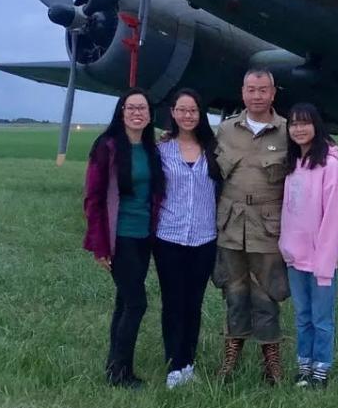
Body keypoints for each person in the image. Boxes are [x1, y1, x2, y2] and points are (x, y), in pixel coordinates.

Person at [213, 69, 291, 384]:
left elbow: (320, 156)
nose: (256, 96)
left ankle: (271, 363)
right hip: (230, 226)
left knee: (267, 293)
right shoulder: (225, 130)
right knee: (233, 292)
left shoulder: (288, 130)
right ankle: (230, 358)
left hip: (269, 228)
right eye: (250, 89)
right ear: (242, 92)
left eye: (263, 90)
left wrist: (336, 173)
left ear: (273, 93)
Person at [83, 88, 164, 388]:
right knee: (136, 304)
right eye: (131, 108)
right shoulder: (107, 147)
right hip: (120, 238)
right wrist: (99, 244)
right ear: (121, 112)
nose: (137, 113)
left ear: (150, 114)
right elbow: (93, 198)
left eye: (142, 108)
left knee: (123, 302)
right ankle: (121, 373)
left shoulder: (149, 147)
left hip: (144, 237)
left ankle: (114, 366)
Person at [153, 88, 221, 389]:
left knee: (194, 303)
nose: (187, 115)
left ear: (200, 113)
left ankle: (188, 362)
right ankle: (174, 364)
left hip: (204, 238)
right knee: (172, 302)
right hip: (169, 237)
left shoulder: (215, 148)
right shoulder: (161, 150)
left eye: (193, 110)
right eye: (182, 110)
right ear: (173, 113)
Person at [279, 103, 338, 389]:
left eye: (305, 123)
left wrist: (326, 258)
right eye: (293, 123)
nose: (298, 129)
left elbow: (333, 215)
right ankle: (304, 366)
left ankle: (321, 371)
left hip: (321, 259)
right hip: (295, 256)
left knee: (322, 318)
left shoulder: (329, 165)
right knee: (302, 316)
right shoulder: (292, 164)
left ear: (316, 126)